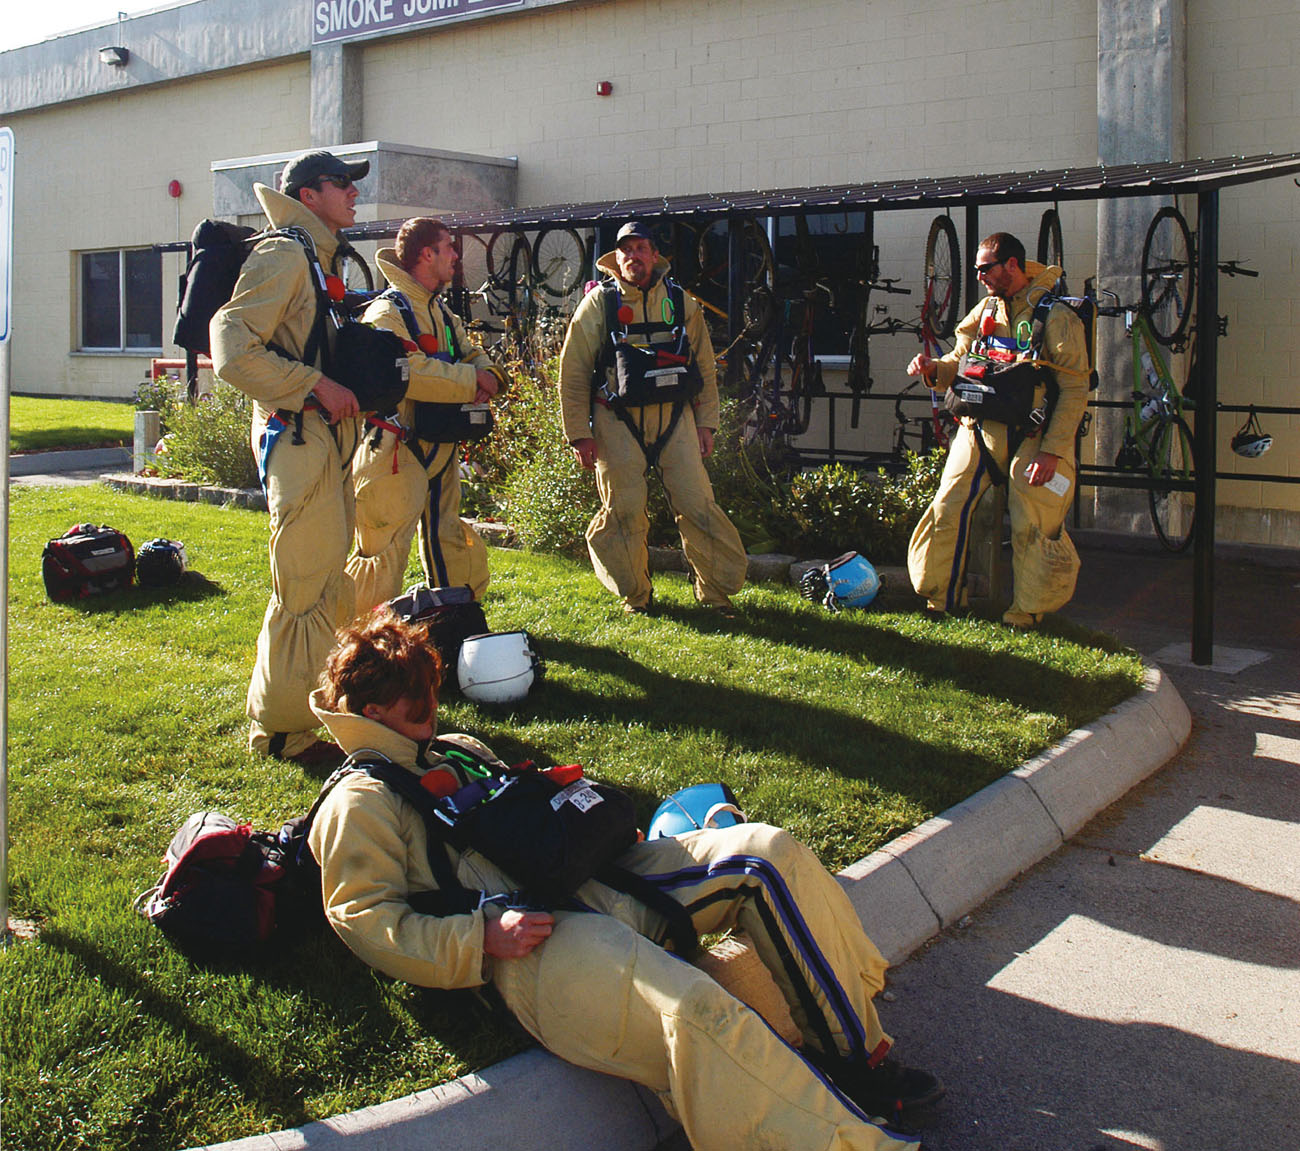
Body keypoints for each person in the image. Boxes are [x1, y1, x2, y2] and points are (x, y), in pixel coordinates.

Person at [308, 610, 941, 1151]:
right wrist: (480, 938)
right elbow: (364, 920)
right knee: (693, 1009)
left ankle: (859, 1057)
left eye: (433, 695)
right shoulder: (358, 803)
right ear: (371, 712)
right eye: (418, 705)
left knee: (764, 855)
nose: (434, 711)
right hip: (533, 942)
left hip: (599, 882)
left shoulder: (455, 747)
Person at [210, 149, 368, 766]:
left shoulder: (319, 257)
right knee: (302, 587)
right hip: (296, 438)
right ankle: (279, 732)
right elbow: (230, 346)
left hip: (322, 440)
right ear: (308, 195)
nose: (353, 193)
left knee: (325, 580)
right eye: (342, 184)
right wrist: (313, 385)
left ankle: (314, 709)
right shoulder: (281, 254)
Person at [558, 221, 748, 616]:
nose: (634, 256)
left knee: (698, 504)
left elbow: (706, 368)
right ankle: (636, 597)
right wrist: (579, 434)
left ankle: (715, 594)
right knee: (623, 510)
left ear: (654, 255)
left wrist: (706, 423)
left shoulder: (681, 303)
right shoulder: (599, 305)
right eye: (626, 249)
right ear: (617, 258)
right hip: (615, 420)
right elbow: (573, 372)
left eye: (641, 248)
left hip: (675, 418)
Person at [905, 232, 1089, 627]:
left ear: (1012, 265)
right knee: (947, 507)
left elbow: (1075, 388)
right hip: (979, 428)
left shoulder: (1056, 317)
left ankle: (1026, 613)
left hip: (1033, 435)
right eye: (976, 269)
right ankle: (943, 599)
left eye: (986, 268)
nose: (980, 275)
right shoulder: (984, 311)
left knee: (1033, 523)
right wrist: (934, 370)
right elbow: (960, 357)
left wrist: (1053, 451)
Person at [345, 217, 508, 614]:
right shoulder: (387, 311)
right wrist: (473, 380)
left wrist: (489, 376)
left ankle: (454, 621)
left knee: (447, 537)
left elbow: (471, 352)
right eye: (449, 247)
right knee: (382, 553)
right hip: (393, 454)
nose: (456, 255)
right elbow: (410, 372)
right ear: (426, 254)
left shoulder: (440, 312)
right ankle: (360, 644)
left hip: (440, 447)